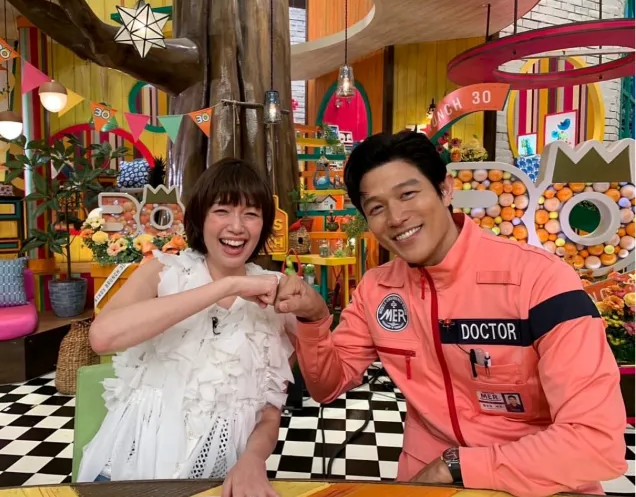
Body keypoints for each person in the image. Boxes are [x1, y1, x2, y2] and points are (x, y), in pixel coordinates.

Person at [271, 131, 627, 497]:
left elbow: (596, 441)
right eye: (376, 208)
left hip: (540, 484)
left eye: (407, 194)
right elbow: (328, 387)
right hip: (425, 484)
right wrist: (313, 319)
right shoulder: (377, 289)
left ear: (445, 190)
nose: (396, 217)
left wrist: (456, 466)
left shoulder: (541, 280)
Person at [77, 158, 295, 497]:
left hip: (221, 475)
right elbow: (102, 337)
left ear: (265, 224)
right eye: (222, 210)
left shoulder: (275, 292)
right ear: (200, 217)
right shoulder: (161, 272)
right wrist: (226, 287)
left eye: (251, 214)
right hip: (132, 463)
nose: (237, 226)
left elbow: (269, 411)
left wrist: (254, 458)